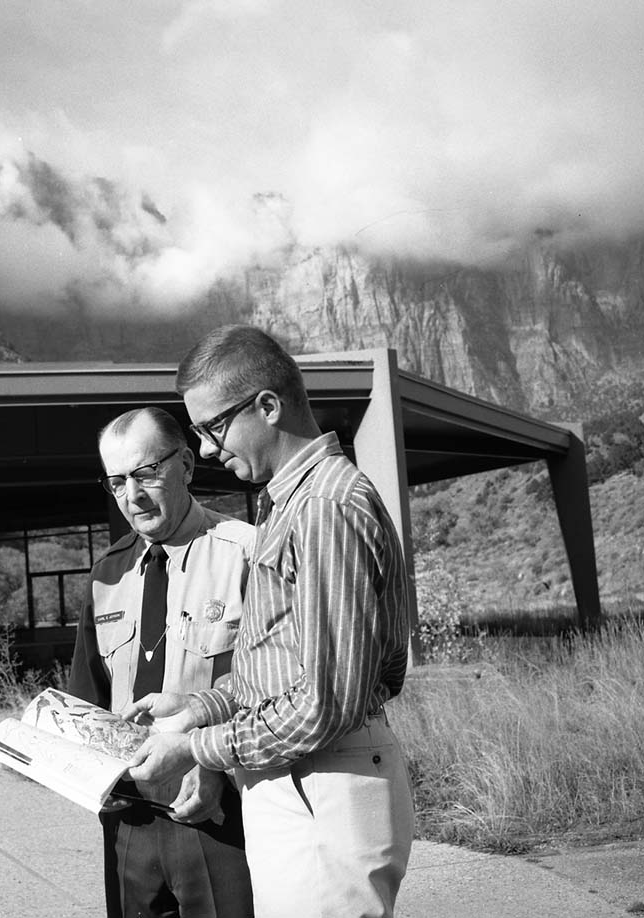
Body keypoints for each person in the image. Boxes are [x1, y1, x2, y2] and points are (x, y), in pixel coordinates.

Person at [125, 325, 415, 918]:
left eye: (212, 428)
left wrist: (195, 747)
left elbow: (325, 702)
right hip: (304, 782)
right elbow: (277, 664)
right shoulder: (289, 503)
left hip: (324, 784)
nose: (205, 449)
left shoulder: (325, 508)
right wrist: (197, 707)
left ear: (267, 405)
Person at [68, 407, 255, 918]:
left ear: (187, 466)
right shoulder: (107, 573)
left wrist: (215, 764)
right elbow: (86, 695)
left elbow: (277, 685)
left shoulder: (245, 553)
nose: (133, 495)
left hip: (217, 810)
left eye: (146, 472)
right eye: (116, 482)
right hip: (129, 820)